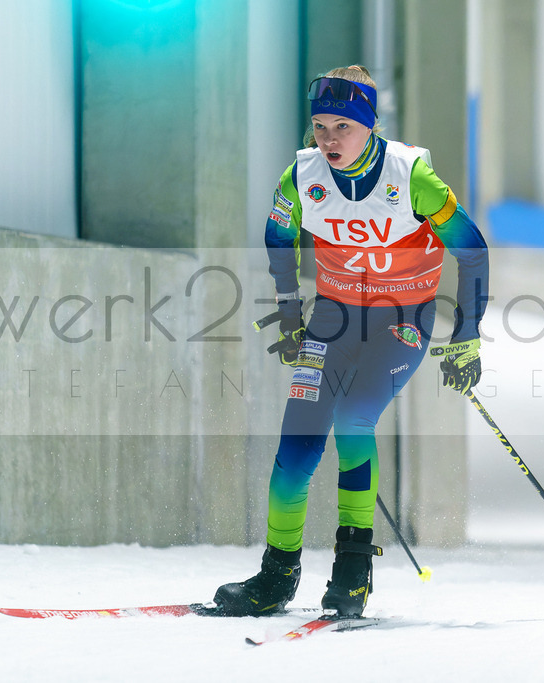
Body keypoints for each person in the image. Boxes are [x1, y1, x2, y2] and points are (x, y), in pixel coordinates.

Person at [213, 65, 489, 618]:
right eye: (320, 125)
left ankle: (352, 573)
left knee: (354, 421)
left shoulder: (410, 177)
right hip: (334, 320)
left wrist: (466, 334)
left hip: (401, 321)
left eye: (343, 126)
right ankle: (276, 575)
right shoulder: (302, 175)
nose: (329, 139)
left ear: (370, 125)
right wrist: (290, 308)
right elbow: (278, 237)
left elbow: (472, 249)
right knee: (297, 443)